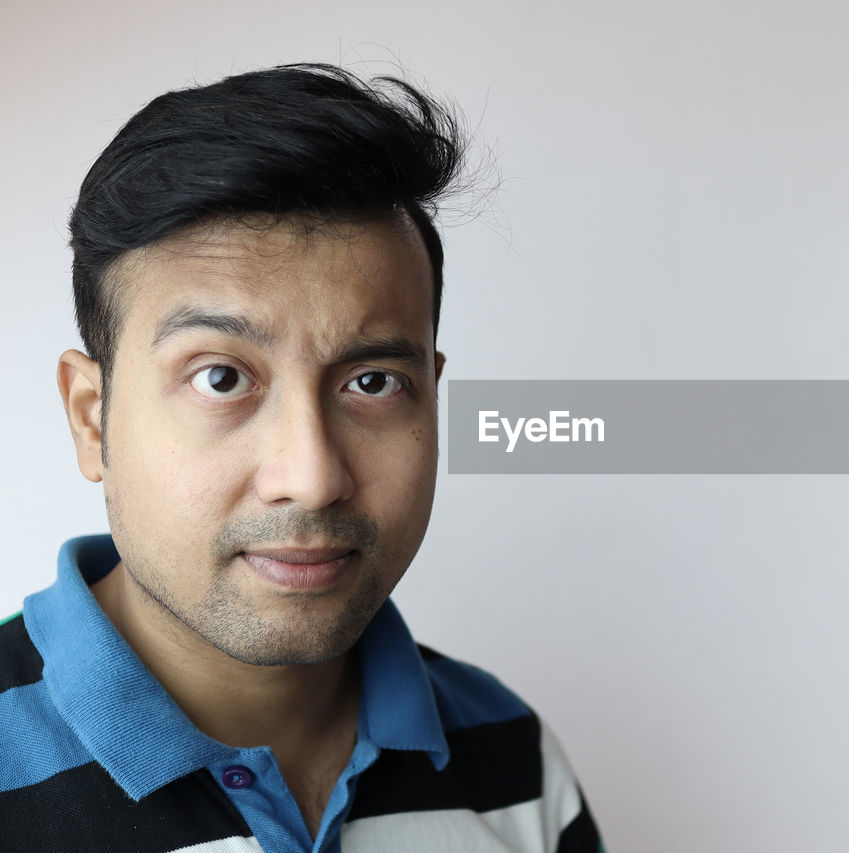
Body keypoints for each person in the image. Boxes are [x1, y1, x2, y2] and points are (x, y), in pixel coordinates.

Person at [0, 63, 604, 853]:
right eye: (221, 378)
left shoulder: (512, 755)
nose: (313, 475)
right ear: (92, 417)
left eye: (374, 381)